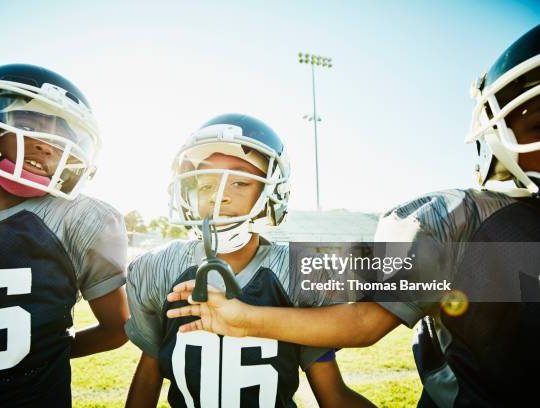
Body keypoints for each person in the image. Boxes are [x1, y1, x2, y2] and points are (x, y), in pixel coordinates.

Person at [166, 25, 540, 407]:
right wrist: (245, 318)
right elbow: (364, 320)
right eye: (539, 126)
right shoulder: (460, 218)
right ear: (497, 131)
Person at [124, 113, 374, 407]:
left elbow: (332, 393)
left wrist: (435, 263)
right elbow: (148, 376)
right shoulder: (161, 267)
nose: (219, 197)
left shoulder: (296, 269)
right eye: (205, 185)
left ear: (272, 191)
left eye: (240, 183)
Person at [0, 63, 129, 407]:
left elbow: (116, 329)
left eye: (62, 135)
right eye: (28, 123)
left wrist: (37, 360)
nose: (48, 145)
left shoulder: (83, 219)